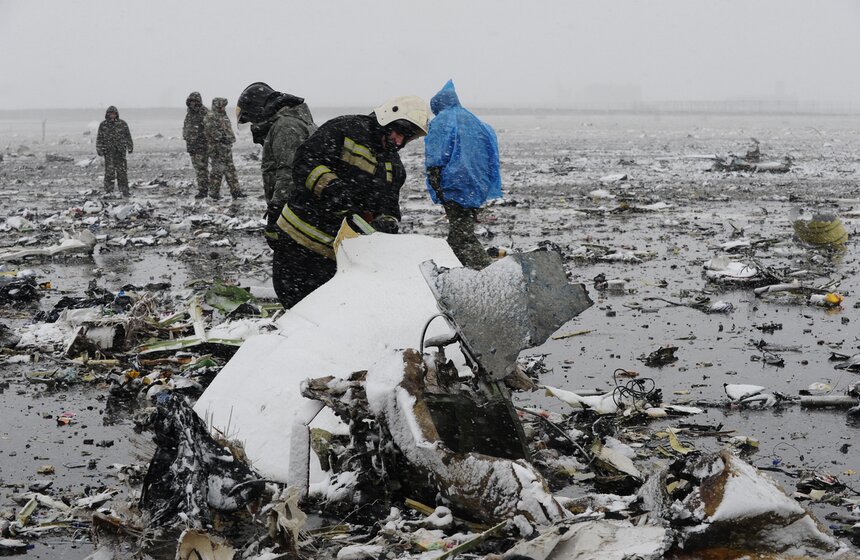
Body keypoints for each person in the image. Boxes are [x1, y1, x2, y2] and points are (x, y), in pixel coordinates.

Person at [270, 95, 430, 308]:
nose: (399, 142)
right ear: (387, 119)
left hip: (335, 256)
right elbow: (304, 162)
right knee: (294, 307)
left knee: (321, 313)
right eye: (399, 132)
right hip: (297, 241)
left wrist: (387, 221)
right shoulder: (345, 129)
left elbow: (389, 204)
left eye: (406, 138)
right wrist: (331, 188)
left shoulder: (394, 167)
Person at [424, 80, 502, 269]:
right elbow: (490, 153)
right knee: (460, 232)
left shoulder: (442, 121)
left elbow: (436, 155)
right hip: (477, 185)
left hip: (454, 184)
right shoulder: (475, 121)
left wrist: (436, 182)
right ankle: (459, 269)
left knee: (462, 238)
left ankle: (486, 273)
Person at [235, 82, 317, 246]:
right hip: (303, 208)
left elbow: (288, 172)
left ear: (258, 110)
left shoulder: (285, 126)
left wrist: (277, 210)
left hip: (297, 212)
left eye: (251, 119)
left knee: (292, 261)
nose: (252, 124)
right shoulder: (290, 123)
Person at [202, 97, 245, 200]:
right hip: (217, 149)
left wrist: (230, 139)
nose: (223, 108)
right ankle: (213, 193)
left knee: (231, 170)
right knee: (217, 171)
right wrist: (221, 138)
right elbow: (210, 131)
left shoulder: (223, 116)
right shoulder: (210, 116)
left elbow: (228, 130)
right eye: (222, 105)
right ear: (218, 105)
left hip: (226, 148)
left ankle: (236, 191)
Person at [96, 105, 133, 196]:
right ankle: (109, 191)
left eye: (114, 114)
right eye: (111, 114)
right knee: (109, 173)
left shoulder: (122, 124)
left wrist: (130, 146)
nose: (112, 116)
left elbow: (128, 136)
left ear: (116, 114)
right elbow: (99, 138)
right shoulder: (103, 125)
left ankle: (124, 191)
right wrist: (99, 149)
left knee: (122, 173)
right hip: (108, 153)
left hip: (120, 152)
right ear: (107, 114)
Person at [183, 92, 209, 197]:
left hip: (202, 146)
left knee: (202, 169)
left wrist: (202, 140)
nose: (193, 104)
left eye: (195, 101)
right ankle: (203, 188)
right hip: (192, 147)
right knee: (198, 169)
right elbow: (186, 129)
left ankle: (204, 190)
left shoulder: (205, 113)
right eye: (191, 101)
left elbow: (209, 129)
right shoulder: (189, 114)